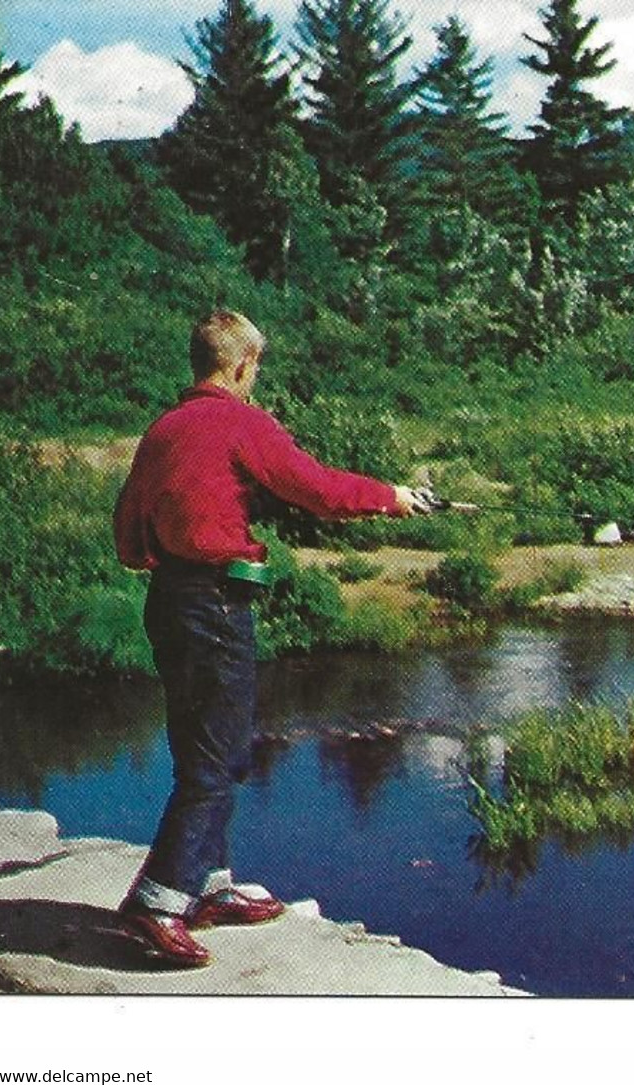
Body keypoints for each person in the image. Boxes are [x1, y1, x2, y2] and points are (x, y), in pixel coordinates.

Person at [112, 309, 434, 967]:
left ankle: (209, 884)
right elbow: (312, 487)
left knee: (198, 746)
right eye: (255, 366)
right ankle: (157, 900)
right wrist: (391, 496)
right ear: (240, 366)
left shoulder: (164, 428)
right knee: (219, 755)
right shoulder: (241, 422)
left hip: (169, 600)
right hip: (215, 606)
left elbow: (128, 526)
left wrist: (163, 557)